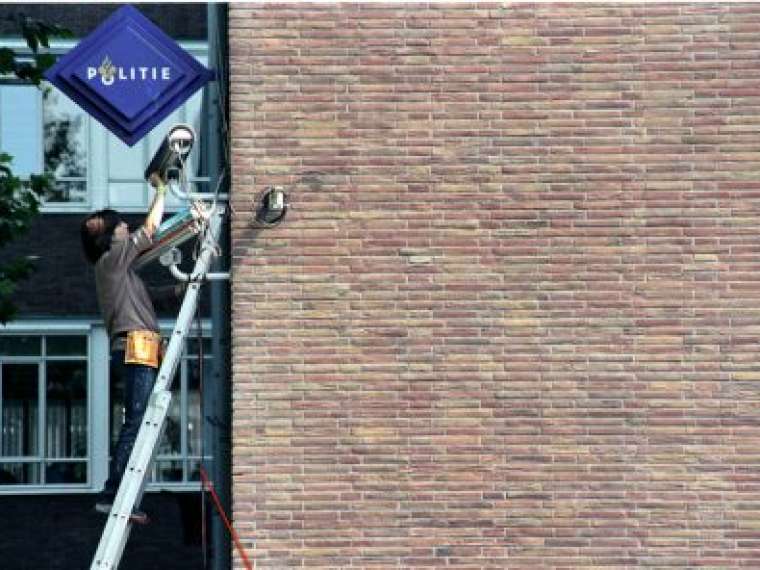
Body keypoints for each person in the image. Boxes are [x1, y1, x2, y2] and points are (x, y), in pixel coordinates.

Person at [80, 172, 182, 521]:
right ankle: (113, 495)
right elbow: (150, 228)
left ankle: (124, 497)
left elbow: (146, 298)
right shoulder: (112, 259)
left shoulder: (118, 270)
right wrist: (162, 190)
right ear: (111, 235)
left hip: (142, 345)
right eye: (121, 224)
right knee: (136, 421)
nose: (127, 226)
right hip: (136, 346)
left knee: (140, 421)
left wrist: (176, 292)